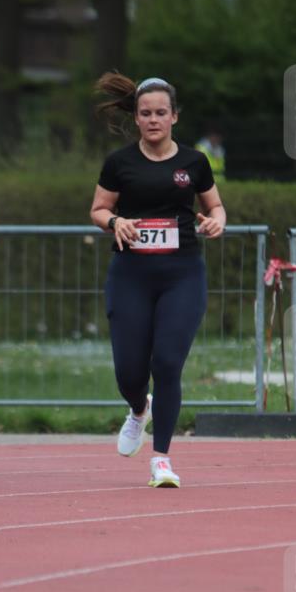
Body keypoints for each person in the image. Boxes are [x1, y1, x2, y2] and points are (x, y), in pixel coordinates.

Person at [90, 73, 226, 488]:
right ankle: (137, 409)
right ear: (136, 118)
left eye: (160, 113)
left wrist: (215, 222)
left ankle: (161, 459)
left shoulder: (194, 163)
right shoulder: (119, 163)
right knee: (129, 372)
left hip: (182, 273)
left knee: (167, 363)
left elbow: (216, 206)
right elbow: (97, 209)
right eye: (145, 113)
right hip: (131, 274)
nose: (153, 120)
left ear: (174, 117)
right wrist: (115, 221)